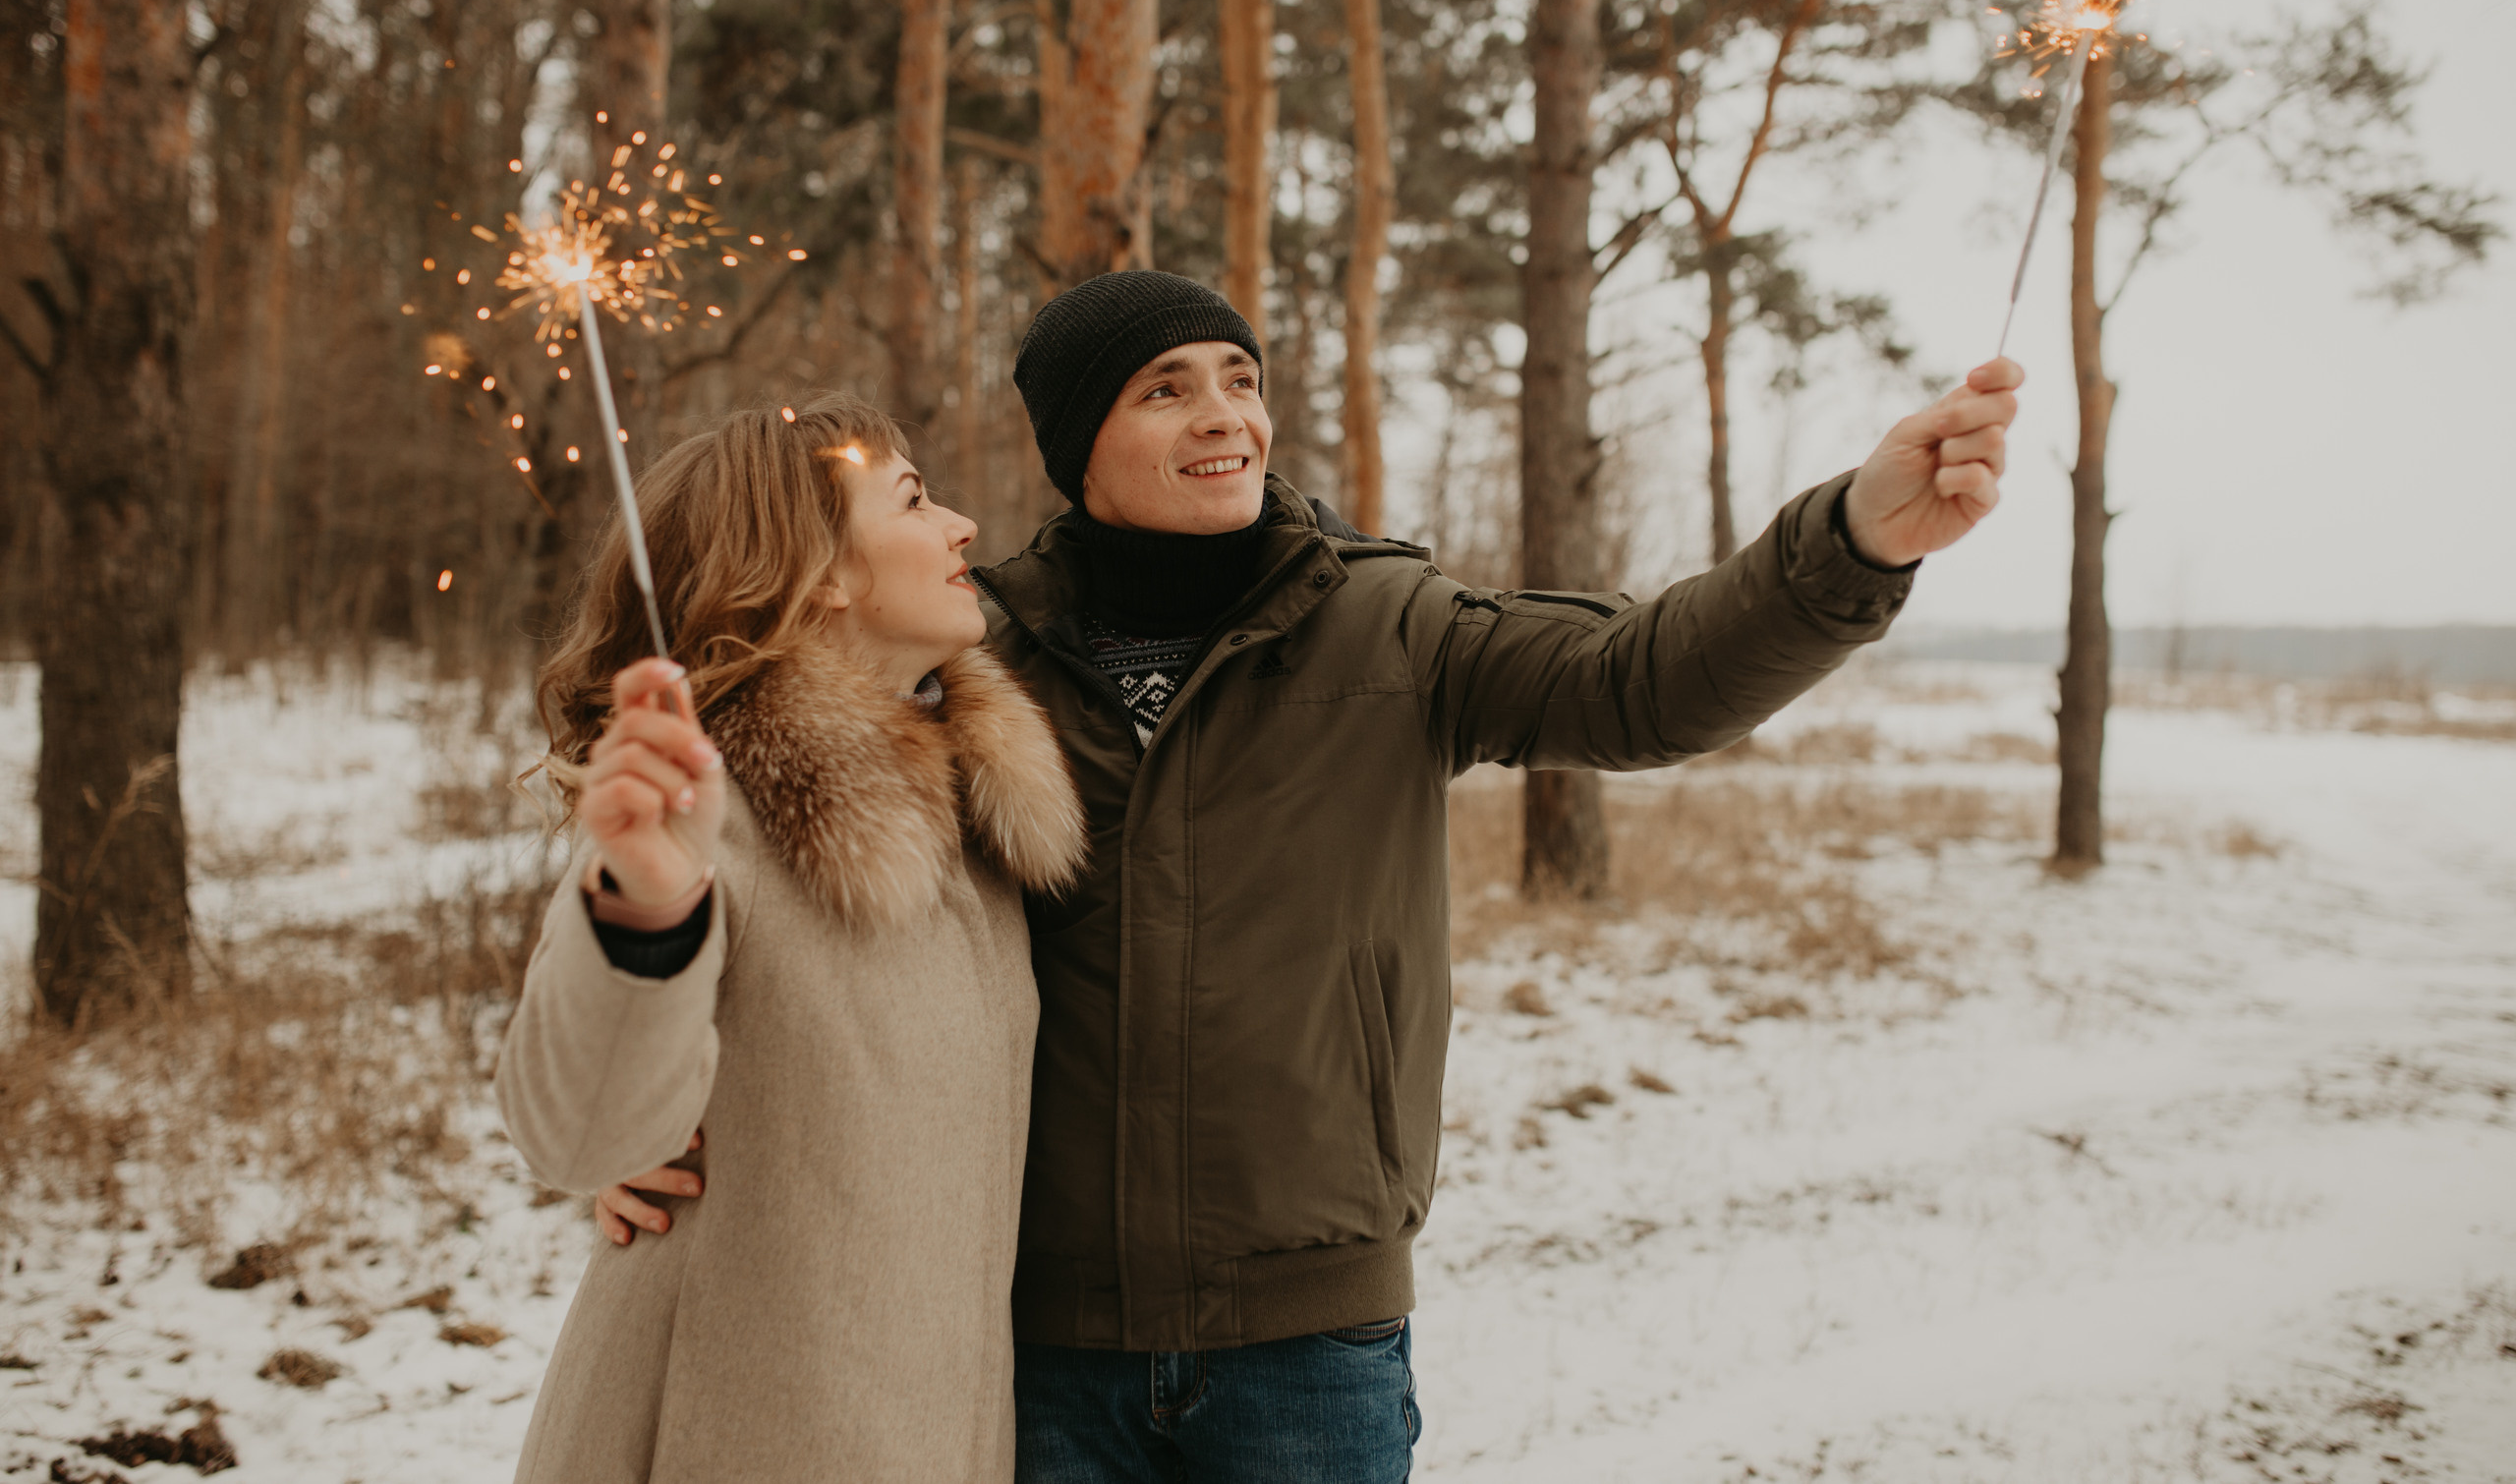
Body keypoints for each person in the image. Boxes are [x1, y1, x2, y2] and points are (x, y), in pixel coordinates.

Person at [597, 272, 2023, 1482]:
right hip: (1032, 1341)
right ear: (1081, 437)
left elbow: (1638, 680)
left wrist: (1852, 541)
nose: (1226, 414)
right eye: (1166, 388)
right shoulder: (975, 659)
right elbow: (789, 864)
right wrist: (656, 1109)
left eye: (1240, 378)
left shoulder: (1388, 623)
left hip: (1308, 1342)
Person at [496, 392, 1086, 1484]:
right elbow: (574, 1136)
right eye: (913, 501)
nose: (960, 526)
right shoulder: (707, 810)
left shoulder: (970, 821)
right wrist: (647, 909)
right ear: (821, 571)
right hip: (724, 1436)